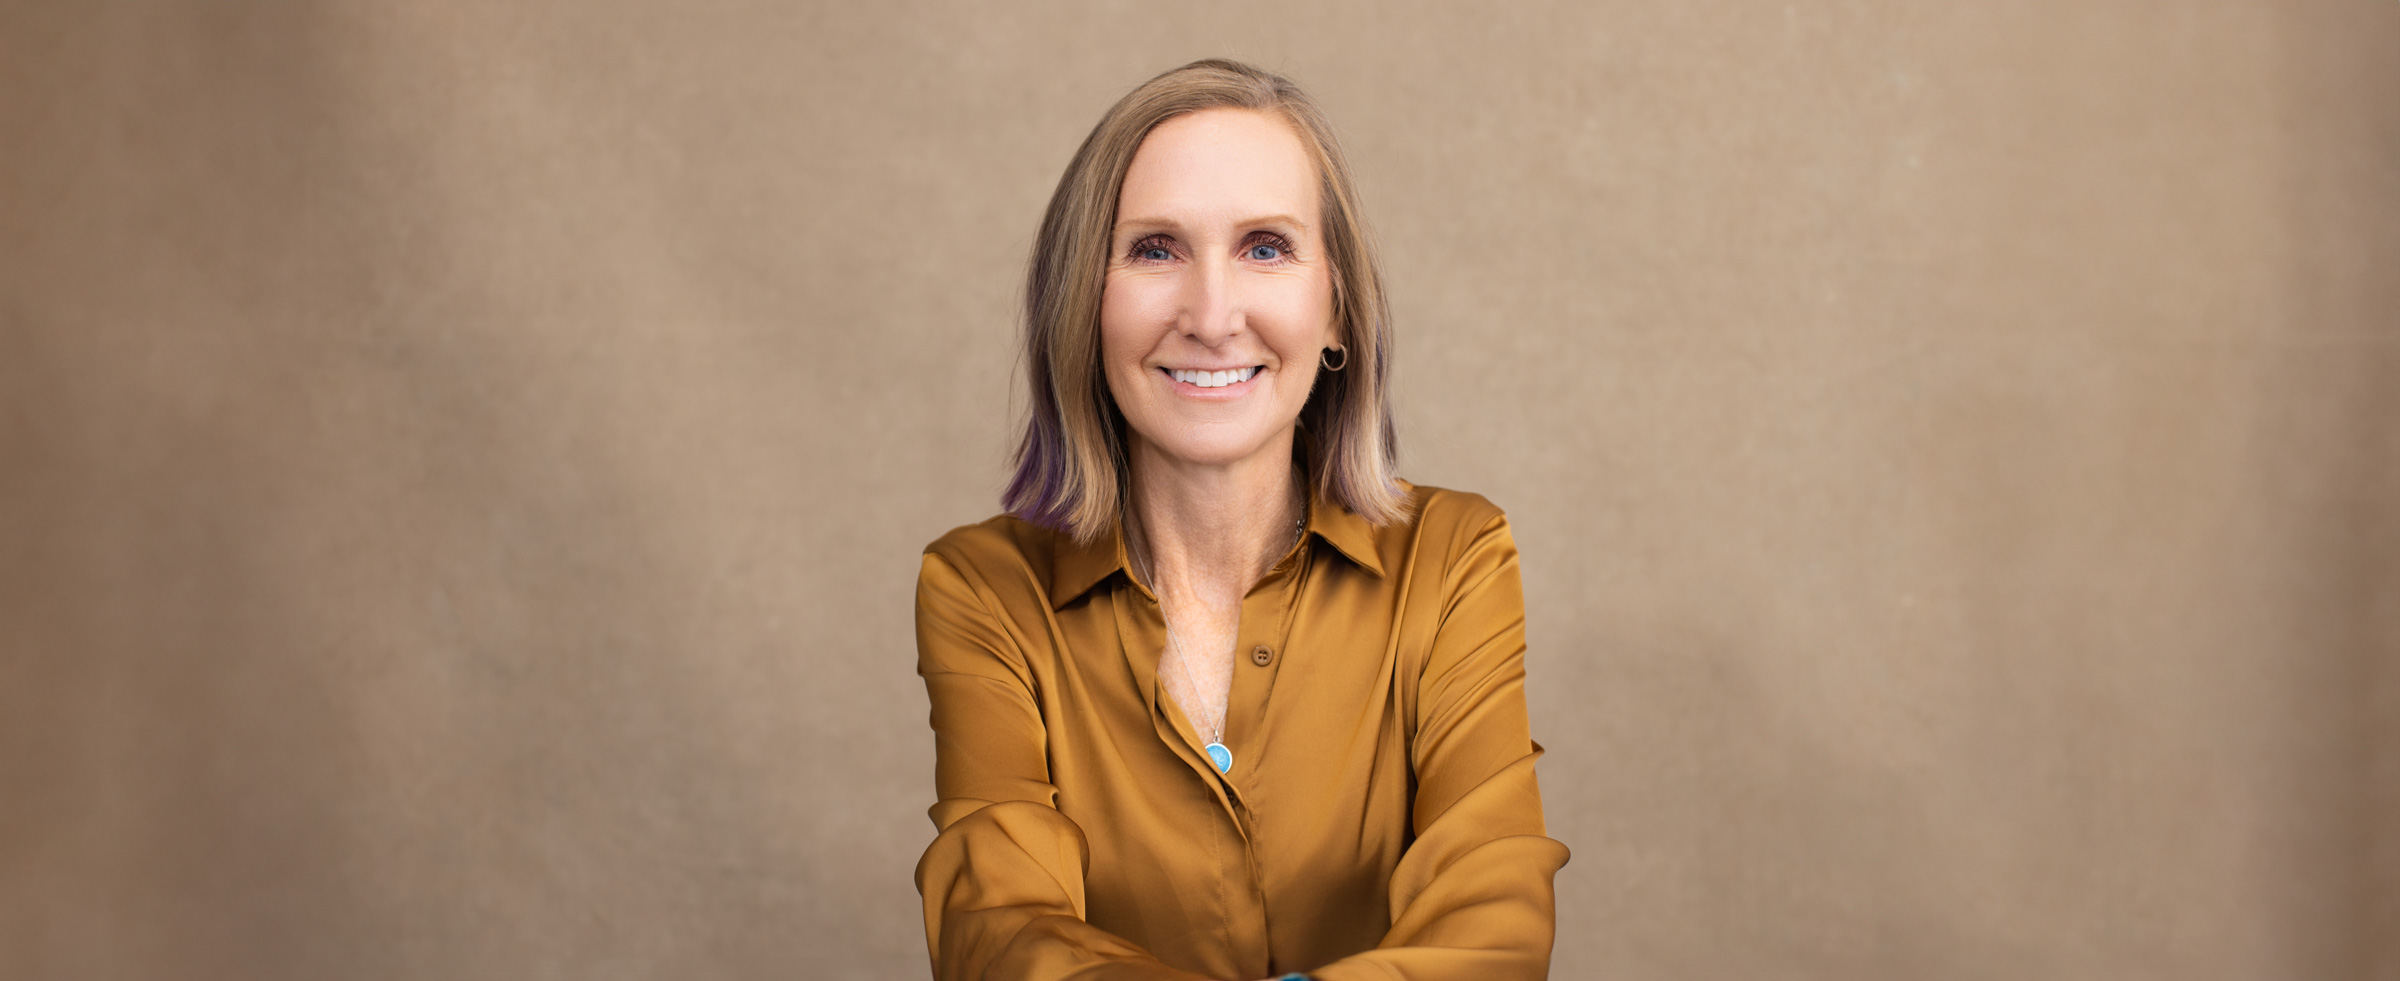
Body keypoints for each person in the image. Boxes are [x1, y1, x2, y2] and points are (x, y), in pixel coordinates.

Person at [912, 58, 1568, 981]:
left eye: (1265, 246)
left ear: (1335, 306)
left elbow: (1493, 926)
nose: (1213, 316)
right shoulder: (983, 589)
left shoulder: (1454, 558)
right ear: (1082, 306)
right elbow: (1003, 934)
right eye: (1154, 249)